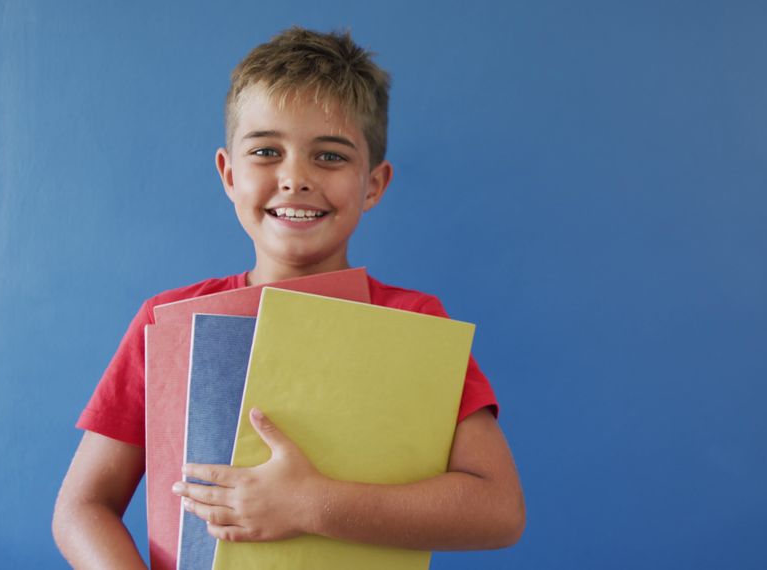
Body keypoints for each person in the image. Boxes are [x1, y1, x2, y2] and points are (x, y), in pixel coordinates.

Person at [52, 27, 525, 568]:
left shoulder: (414, 323)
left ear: (373, 184)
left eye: (329, 156)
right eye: (266, 151)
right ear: (229, 174)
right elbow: (82, 506)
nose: (295, 177)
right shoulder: (168, 321)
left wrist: (308, 504)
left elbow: (499, 509)